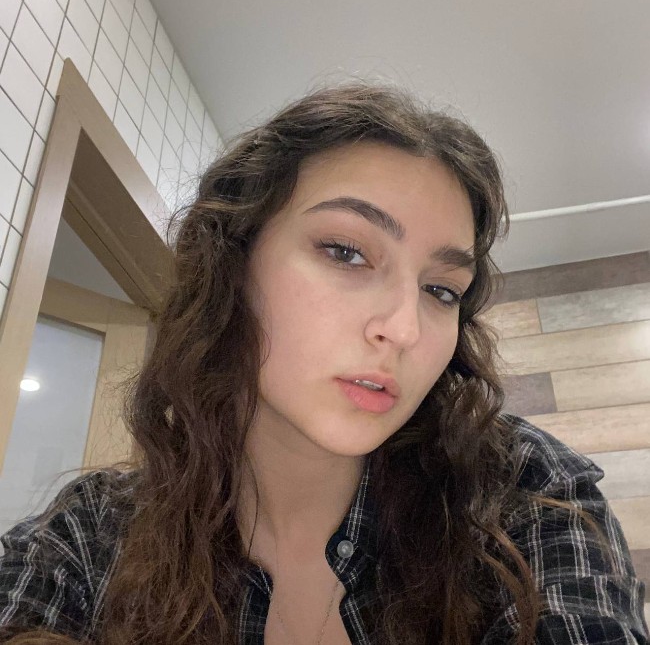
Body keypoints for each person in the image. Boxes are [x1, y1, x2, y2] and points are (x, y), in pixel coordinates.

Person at [0, 84, 647, 645]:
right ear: (232, 266)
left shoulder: (516, 493)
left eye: (441, 289)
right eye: (345, 251)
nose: (404, 328)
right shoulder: (92, 539)